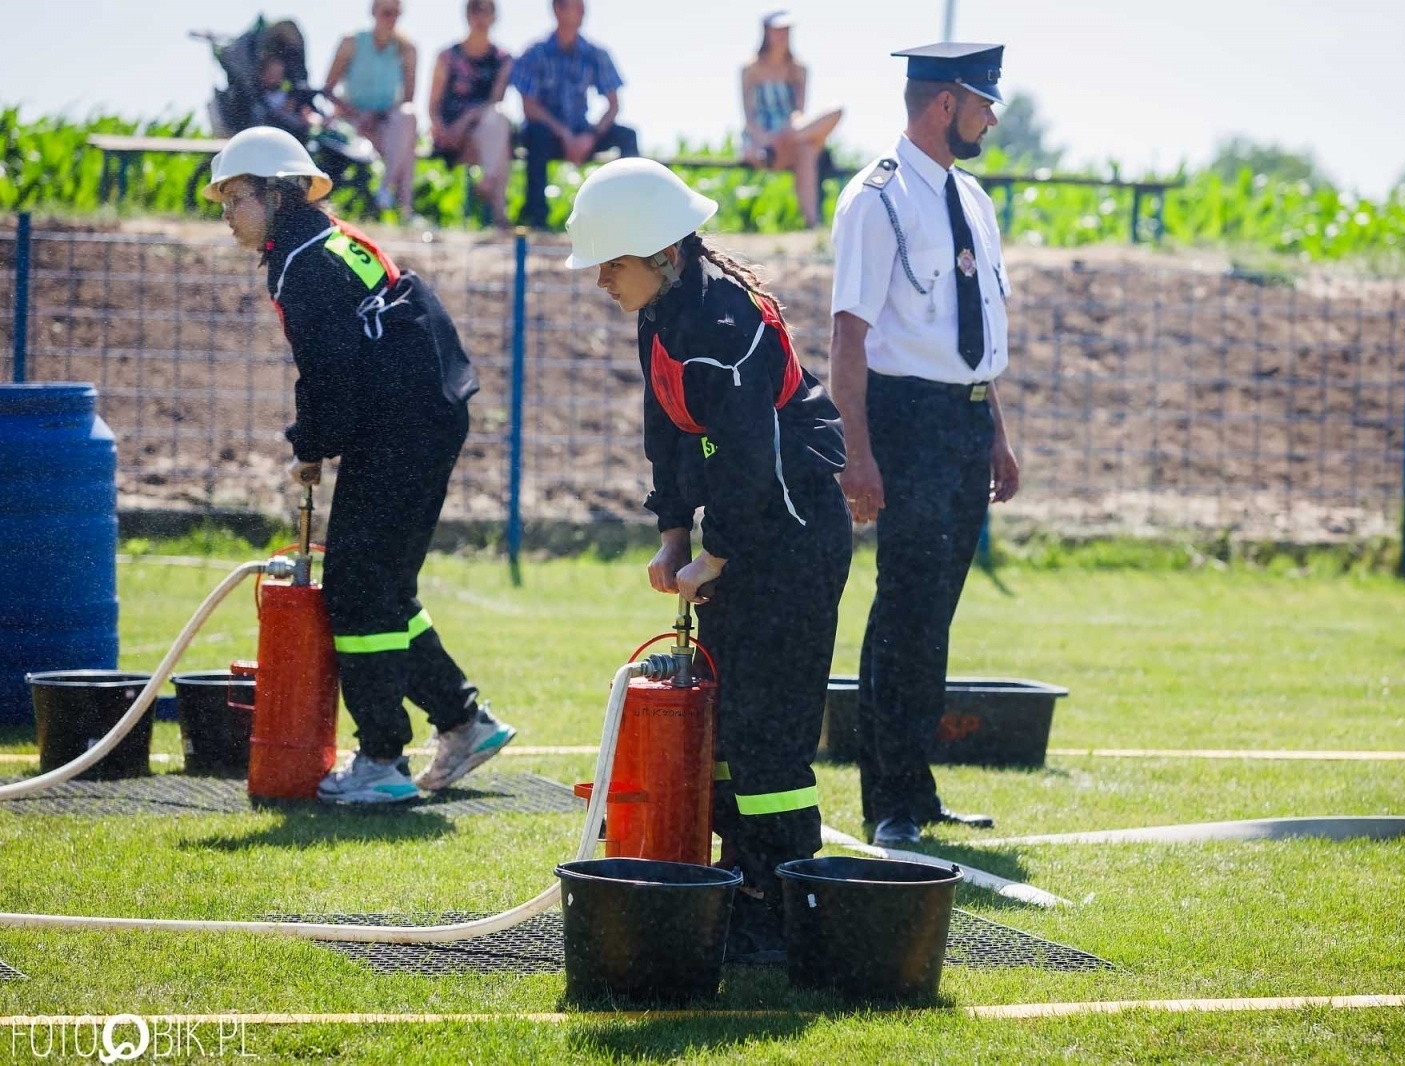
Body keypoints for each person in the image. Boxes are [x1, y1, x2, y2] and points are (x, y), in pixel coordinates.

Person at [565, 158, 852, 961]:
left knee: (769, 734)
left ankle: (785, 896)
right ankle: (745, 877)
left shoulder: (723, 325)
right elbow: (672, 434)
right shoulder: (663, 313)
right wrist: (673, 537)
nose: (599, 283)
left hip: (790, 539)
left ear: (658, 253)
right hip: (748, 533)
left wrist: (715, 551)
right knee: (726, 722)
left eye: (608, 266)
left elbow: (747, 459)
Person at [203, 126, 517, 804]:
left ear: (279, 196)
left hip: (402, 425)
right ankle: (464, 722)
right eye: (223, 203)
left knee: (357, 589)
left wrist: (310, 446)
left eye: (236, 199)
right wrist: (319, 437)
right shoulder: (324, 243)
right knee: (384, 587)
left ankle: (382, 761)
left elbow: (327, 370)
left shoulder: (304, 263)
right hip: (422, 415)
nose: (228, 215)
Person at [828, 43, 1021, 848]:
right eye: (983, 101)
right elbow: (848, 336)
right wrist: (858, 454)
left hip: (965, 422)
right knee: (903, 614)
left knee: (931, 616)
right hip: (903, 423)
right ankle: (890, 803)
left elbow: (973, 331)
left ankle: (918, 788)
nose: (990, 116)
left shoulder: (972, 198)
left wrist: (998, 435)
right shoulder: (876, 199)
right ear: (944, 102)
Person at [510, 0, 640, 231]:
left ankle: (630, 213)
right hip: (548, 134)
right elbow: (529, 108)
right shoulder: (535, 53)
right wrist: (565, 135)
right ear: (557, 9)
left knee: (628, 136)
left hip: (583, 133)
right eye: (575, 5)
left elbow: (613, 105)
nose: (583, 10)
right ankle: (537, 217)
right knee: (534, 134)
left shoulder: (595, 53)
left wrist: (591, 135)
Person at [739, 11, 843, 230]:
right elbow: (749, 117)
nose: (782, 35)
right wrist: (766, 140)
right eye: (778, 30)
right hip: (761, 143)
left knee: (835, 112)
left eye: (786, 30)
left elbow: (799, 112)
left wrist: (787, 134)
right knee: (808, 148)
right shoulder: (750, 69)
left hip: (792, 134)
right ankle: (813, 224)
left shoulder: (799, 69)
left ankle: (811, 225)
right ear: (766, 32)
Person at [323, 0, 419, 218]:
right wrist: (357, 115)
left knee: (408, 120)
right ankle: (402, 207)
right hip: (350, 122)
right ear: (374, 12)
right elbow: (327, 89)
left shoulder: (407, 49)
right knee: (405, 141)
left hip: (386, 123)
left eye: (396, 13)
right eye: (386, 13)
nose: (391, 18)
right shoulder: (351, 42)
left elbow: (408, 99)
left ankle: (386, 191)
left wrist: (377, 116)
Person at [428, 0, 515, 229]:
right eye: (475, 10)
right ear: (467, 15)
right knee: (500, 145)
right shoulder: (447, 55)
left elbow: (494, 102)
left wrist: (465, 120)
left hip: (481, 135)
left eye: (485, 11)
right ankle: (499, 214)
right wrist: (443, 129)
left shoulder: (503, 59)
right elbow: (433, 105)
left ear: (494, 17)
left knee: (499, 119)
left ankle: (488, 183)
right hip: (449, 137)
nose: (480, 17)